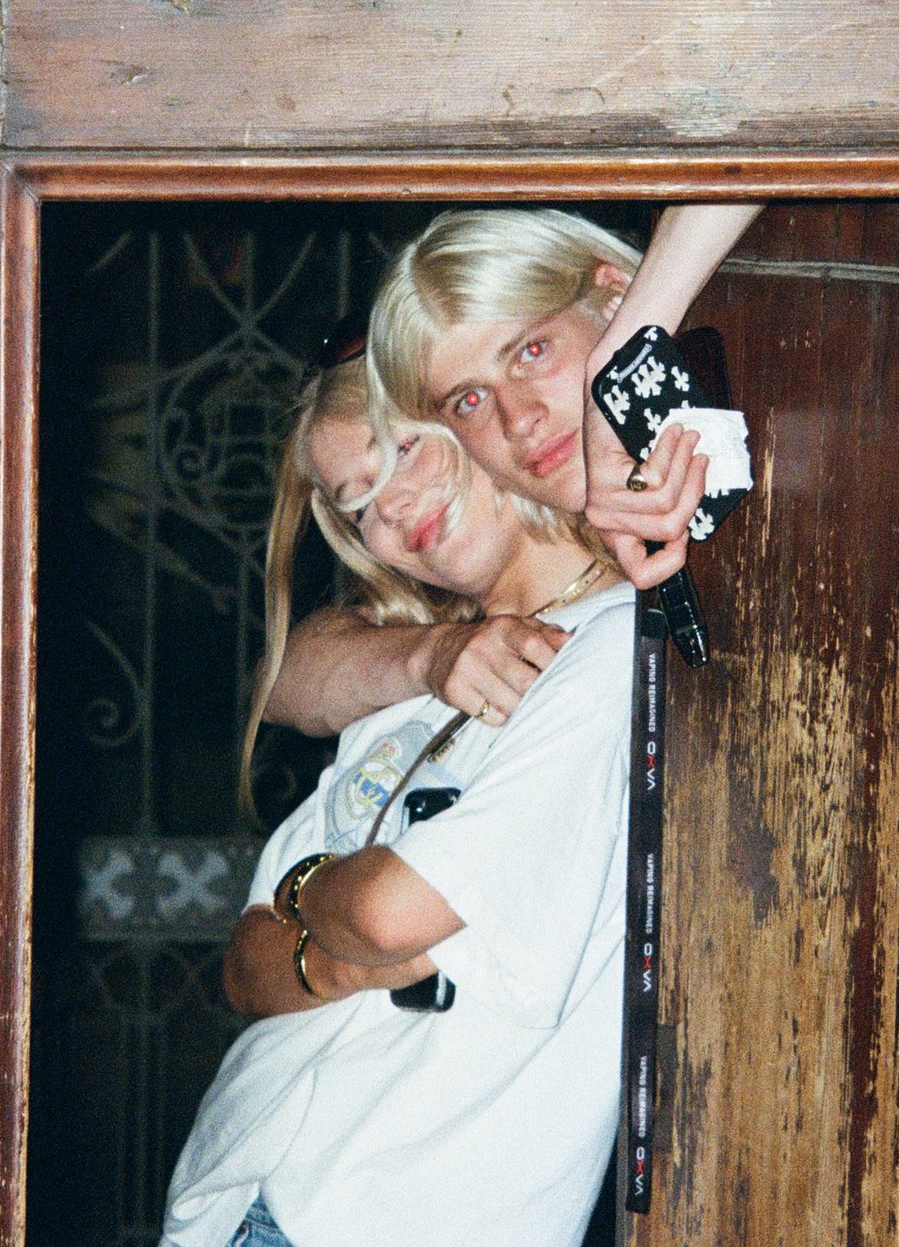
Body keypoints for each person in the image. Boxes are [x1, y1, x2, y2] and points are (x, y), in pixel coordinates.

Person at [164, 353, 634, 1247]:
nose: (390, 506)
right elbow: (246, 966)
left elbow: (388, 912)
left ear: (474, 418)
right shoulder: (409, 687)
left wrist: (313, 900)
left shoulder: (608, 649)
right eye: (357, 504)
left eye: (404, 450)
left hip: (390, 1216)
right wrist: (342, 950)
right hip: (229, 1196)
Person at [260, 205, 758, 741]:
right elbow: (281, 682)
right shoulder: (465, 634)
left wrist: (625, 347)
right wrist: (431, 655)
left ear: (614, 297)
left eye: (532, 351)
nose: (518, 421)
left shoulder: (744, 406)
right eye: (470, 400)